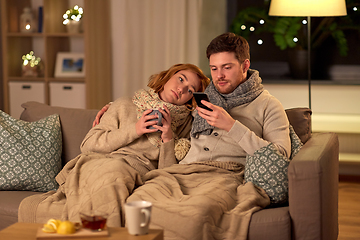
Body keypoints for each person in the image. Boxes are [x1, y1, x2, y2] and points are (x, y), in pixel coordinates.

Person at [19, 63, 210, 228]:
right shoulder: (124, 105)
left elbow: (167, 175)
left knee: (115, 177)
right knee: (112, 173)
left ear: (190, 98)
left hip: (136, 174)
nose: (182, 89)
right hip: (99, 163)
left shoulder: (185, 126)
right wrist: (136, 129)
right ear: (167, 77)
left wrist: (168, 137)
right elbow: (88, 145)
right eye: (181, 79)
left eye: (191, 90)